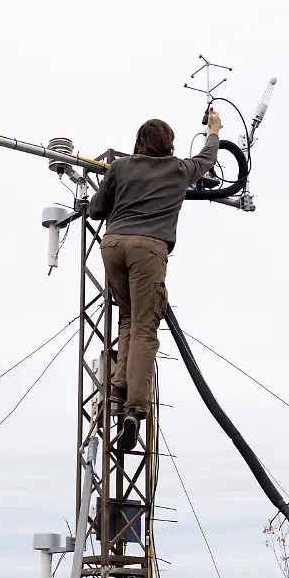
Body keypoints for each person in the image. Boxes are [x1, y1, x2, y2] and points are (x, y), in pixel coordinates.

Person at [88, 108, 223, 452]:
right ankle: (134, 410)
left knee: (129, 319)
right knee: (147, 327)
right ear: (169, 144)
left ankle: (118, 386)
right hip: (148, 251)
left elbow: (96, 209)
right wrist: (213, 130)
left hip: (113, 245)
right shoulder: (178, 169)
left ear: (139, 142)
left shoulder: (120, 168)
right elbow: (208, 158)